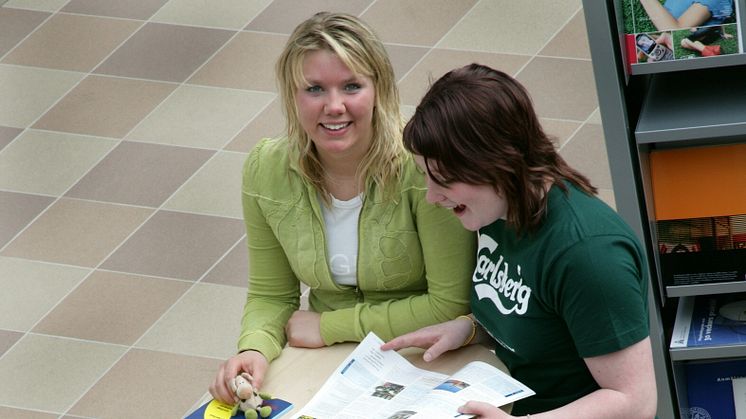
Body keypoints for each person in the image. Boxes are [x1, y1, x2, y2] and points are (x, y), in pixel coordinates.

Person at [209, 12, 475, 404]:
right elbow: (272, 295)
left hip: (426, 351)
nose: (334, 106)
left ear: (379, 89)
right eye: (314, 89)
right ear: (291, 94)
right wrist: (254, 347)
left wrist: (329, 326)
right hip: (331, 359)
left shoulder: (421, 165)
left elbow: (449, 304)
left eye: (351, 86)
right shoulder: (266, 169)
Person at [381, 64, 658, 418]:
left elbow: (635, 401)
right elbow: (534, 312)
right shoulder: (495, 209)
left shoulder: (589, 257)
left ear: (499, 165)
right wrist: (468, 329)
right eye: (425, 176)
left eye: (446, 180)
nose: (432, 197)